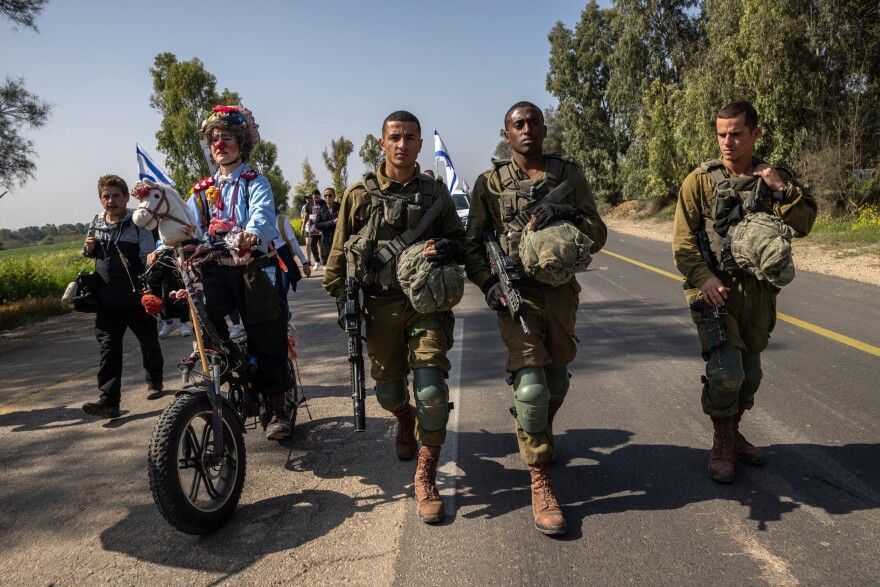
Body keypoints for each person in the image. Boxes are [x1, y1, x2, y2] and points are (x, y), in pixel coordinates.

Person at [462, 101, 607, 535]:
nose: (526, 129)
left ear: (544, 129)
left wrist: (565, 212)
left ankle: (537, 429)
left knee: (557, 382)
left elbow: (598, 231)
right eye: (517, 124)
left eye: (533, 123)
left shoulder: (569, 175)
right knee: (531, 388)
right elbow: (473, 246)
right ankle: (540, 478)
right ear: (506, 134)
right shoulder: (489, 184)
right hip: (516, 295)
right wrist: (490, 287)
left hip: (561, 293)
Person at [322, 110, 466, 524]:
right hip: (379, 306)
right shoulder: (358, 195)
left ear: (421, 145)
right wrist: (343, 302)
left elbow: (460, 242)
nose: (403, 144)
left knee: (431, 391)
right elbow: (336, 258)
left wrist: (446, 248)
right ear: (381, 143)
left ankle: (426, 475)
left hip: (426, 305)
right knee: (388, 395)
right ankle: (405, 421)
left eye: (411, 137)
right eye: (395, 137)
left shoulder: (436, 194)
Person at [672, 100, 817, 483]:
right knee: (727, 374)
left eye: (736, 133)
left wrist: (780, 188)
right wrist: (703, 278)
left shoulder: (774, 178)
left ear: (755, 133)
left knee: (750, 376)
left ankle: (734, 431)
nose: (727, 142)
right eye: (721, 134)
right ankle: (721, 440)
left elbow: (805, 225)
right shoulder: (699, 181)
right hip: (716, 292)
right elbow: (683, 245)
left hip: (759, 294)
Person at [186, 105, 294, 440]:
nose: (220, 144)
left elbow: (262, 215)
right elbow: (188, 227)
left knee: (267, 335)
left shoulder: (255, 181)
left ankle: (277, 404)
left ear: (241, 143)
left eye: (227, 138)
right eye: (214, 139)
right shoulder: (201, 190)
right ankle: (227, 360)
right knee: (204, 317)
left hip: (252, 268)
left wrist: (252, 233)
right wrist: (166, 247)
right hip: (217, 268)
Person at [81, 174, 165, 418]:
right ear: (100, 199)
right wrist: (87, 249)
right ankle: (109, 401)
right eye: (106, 196)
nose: (111, 201)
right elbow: (89, 254)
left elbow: (147, 256)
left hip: (137, 297)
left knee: (148, 341)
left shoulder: (138, 222)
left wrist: (150, 285)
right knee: (109, 349)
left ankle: (155, 380)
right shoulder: (96, 221)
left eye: (116, 196)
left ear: (126, 197)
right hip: (107, 302)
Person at [274, 210, 311, 319]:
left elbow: (293, 242)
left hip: (283, 262)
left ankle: (284, 320)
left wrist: (304, 262)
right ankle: (283, 315)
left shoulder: (282, 221)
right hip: (268, 263)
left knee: (282, 292)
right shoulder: (259, 221)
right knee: (272, 294)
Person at [316, 187, 340, 266]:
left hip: (338, 239)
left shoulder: (340, 207)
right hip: (326, 241)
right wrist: (332, 222)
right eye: (325, 195)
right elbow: (318, 225)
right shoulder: (321, 209)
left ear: (334, 196)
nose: (327, 197)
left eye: (330, 195)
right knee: (327, 265)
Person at [301, 189, 325, 270]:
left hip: (322, 227)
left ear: (320, 196)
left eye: (317, 197)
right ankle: (317, 261)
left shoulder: (324, 203)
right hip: (313, 228)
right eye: (314, 198)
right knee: (312, 245)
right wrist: (303, 227)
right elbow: (306, 216)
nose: (316, 199)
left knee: (323, 245)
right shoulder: (309, 204)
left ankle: (324, 262)